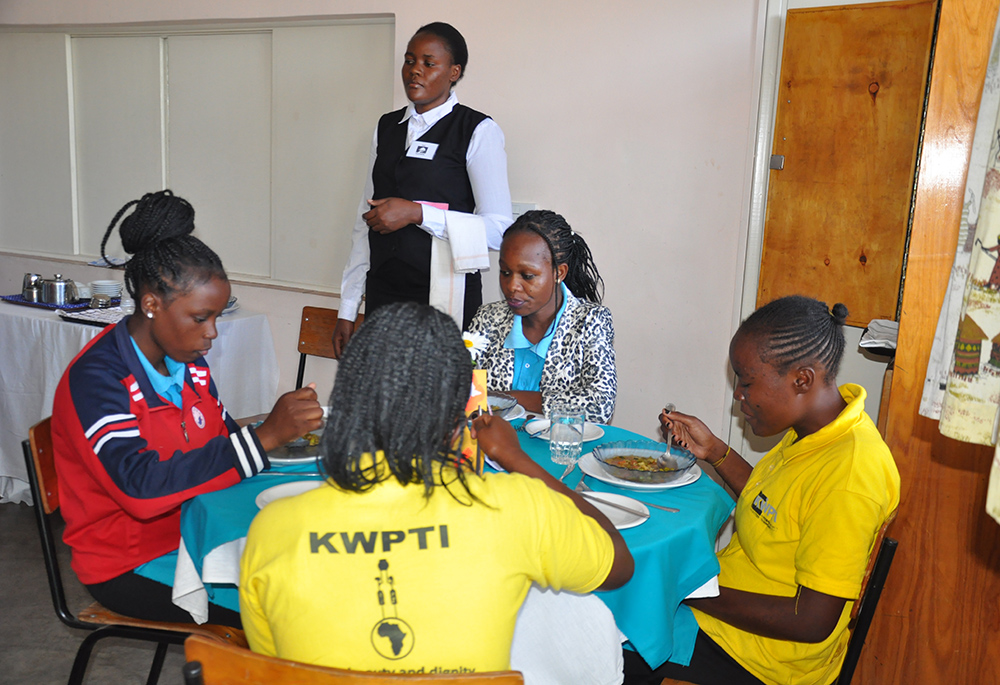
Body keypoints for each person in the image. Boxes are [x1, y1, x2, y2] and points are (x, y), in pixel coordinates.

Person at [240, 302, 633, 672]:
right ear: (458, 411)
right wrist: (517, 460)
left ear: (347, 400)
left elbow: (275, 665)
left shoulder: (274, 529)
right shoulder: (516, 508)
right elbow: (618, 563)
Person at [51, 189, 323, 628]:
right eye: (201, 318)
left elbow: (221, 443)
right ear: (151, 304)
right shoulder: (99, 379)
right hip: (129, 562)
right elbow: (140, 491)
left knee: (316, 569)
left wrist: (295, 444)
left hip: (194, 529)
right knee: (290, 612)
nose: (212, 333)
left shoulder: (188, 366)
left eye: (217, 316)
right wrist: (265, 436)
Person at [623, 295, 900, 685]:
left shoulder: (850, 474)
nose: (739, 395)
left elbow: (812, 622)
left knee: (608, 636)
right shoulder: (815, 432)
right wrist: (716, 451)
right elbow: (775, 508)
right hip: (735, 610)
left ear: (801, 379)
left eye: (747, 381)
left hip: (764, 658)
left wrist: (687, 588)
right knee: (621, 606)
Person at [332, 21, 513, 356]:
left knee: (441, 404)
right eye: (409, 60)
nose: (415, 71)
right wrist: (348, 306)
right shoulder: (386, 127)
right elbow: (364, 221)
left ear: (454, 72)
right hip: (385, 294)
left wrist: (417, 213)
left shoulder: (477, 130)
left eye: (429, 64)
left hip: (444, 297)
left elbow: (499, 230)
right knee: (385, 400)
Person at [466, 209, 616, 423]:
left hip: (558, 452)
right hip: (492, 449)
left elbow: (599, 407)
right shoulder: (488, 318)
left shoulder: (590, 321)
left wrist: (506, 398)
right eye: (505, 272)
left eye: (527, 276)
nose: (512, 286)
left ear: (559, 273)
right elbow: (463, 391)